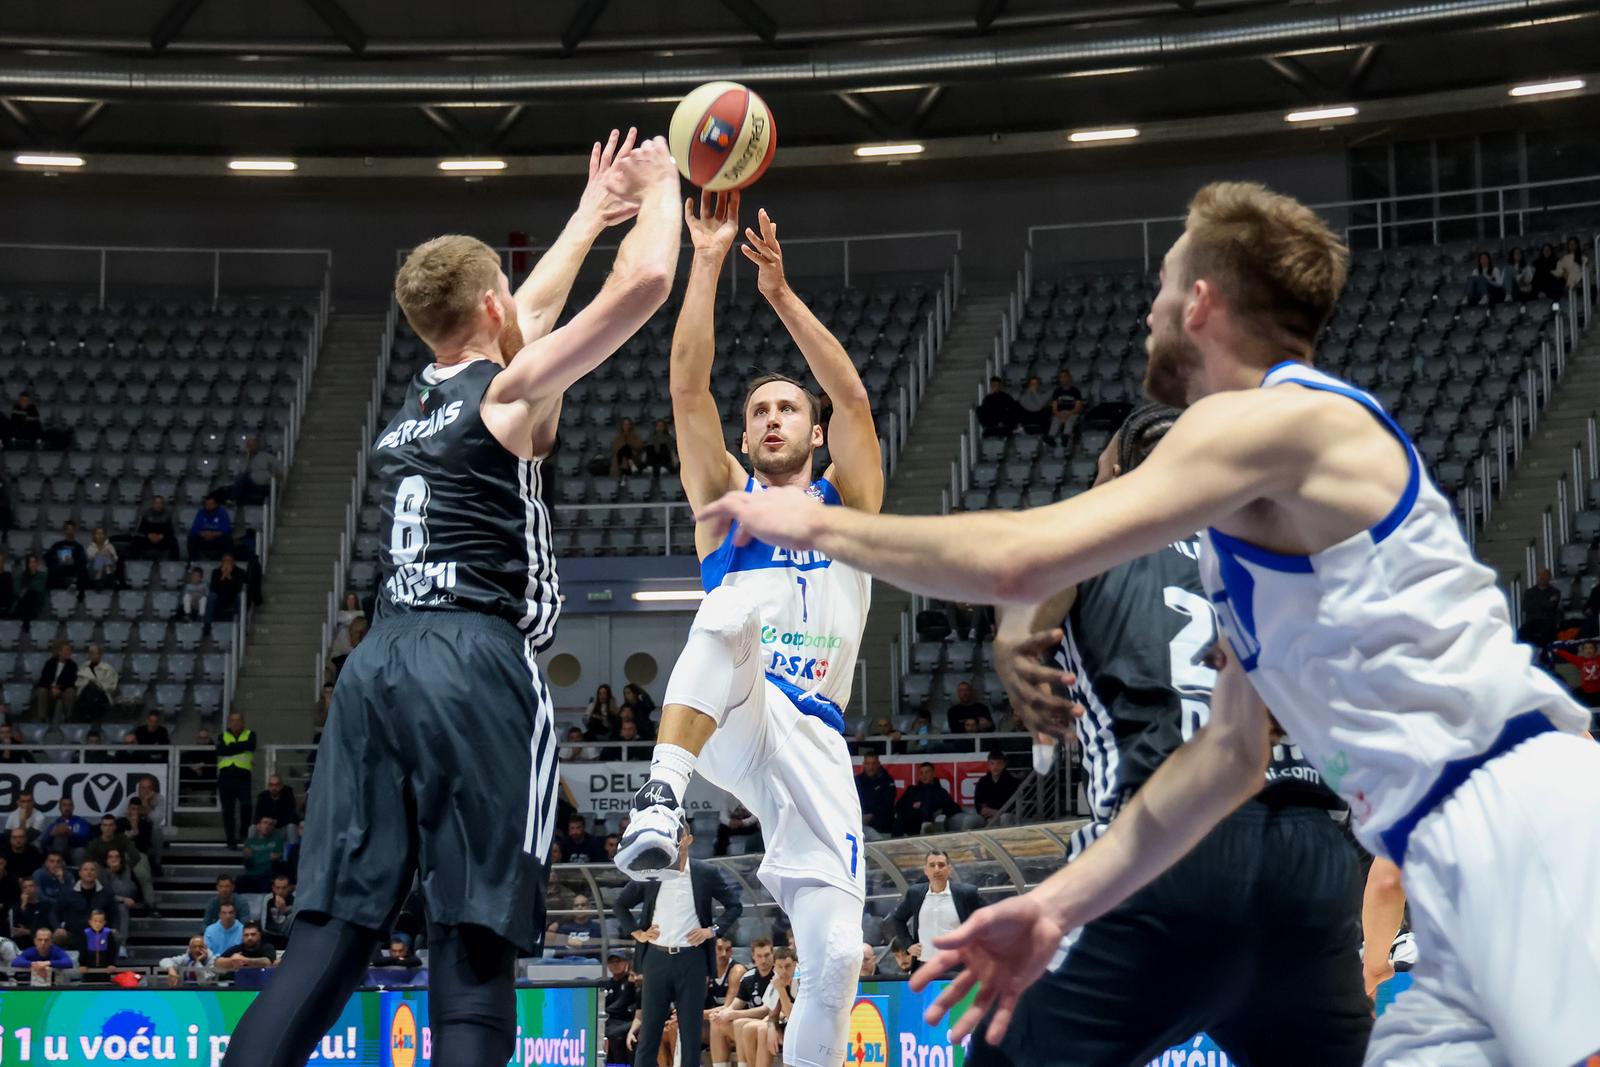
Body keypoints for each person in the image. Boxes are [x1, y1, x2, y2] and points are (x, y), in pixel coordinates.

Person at [704, 181, 1600, 1063]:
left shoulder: (1281, 418)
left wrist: (815, 522)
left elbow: (1027, 554)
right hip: (1446, 855)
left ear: (1201, 302)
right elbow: (1221, 762)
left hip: (1521, 820)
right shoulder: (1251, 540)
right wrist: (1058, 905)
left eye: (1165, 285)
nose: (1150, 312)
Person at [222, 128, 680, 1067]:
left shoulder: (414, 403)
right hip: (472, 660)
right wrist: (665, 185)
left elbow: (528, 307)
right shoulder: (510, 393)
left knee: (332, 930)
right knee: (472, 930)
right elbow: (641, 290)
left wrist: (592, 211)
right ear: (489, 303)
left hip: (375, 662)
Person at [618, 193, 880, 1067]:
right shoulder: (724, 506)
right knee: (728, 610)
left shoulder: (851, 504)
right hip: (739, 711)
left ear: (812, 431)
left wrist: (778, 294)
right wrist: (707, 259)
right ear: (744, 432)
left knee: (839, 954)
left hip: (818, 738)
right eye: (760, 409)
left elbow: (853, 394)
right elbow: (685, 383)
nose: (773, 416)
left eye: (788, 408)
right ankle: (660, 795)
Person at [613, 819, 744, 1067]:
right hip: (656, 958)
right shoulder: (652, 872)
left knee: (691, 1033)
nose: (674, 840)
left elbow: (734, 905)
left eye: (678, 835)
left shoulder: (705, 873)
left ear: (689, 839)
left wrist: (711, 931)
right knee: (649, 1032)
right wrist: (637, 933)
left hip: (691, 960)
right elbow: (620, 904)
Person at [889, 850, 985, 973]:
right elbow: (898, 918)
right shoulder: (915, 894)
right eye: (932, 865)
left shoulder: (966, 893)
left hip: (957, 966)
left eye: (941, 865)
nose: (936, 869)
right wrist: (908, 945)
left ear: (949, 869)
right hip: (924, 965)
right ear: (926, 870)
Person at [709, 937, 775, 1067]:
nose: (763, 960)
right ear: (753, 957)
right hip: (752, 1023)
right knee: (716, 1022)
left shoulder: (777, 975)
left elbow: (766, 1010)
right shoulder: (748, 977)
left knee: (740, 1023)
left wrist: (733, 1014)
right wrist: (721, 1014)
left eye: (767, 955)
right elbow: (735, 1005)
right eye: (759, 956)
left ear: (773, 955)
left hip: (769, 1021)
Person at [52, 860, 115, 949]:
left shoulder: (106, 892)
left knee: (115, 936)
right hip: (72, 933)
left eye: (92, 870)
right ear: (80, 873)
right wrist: (57, 927)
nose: (89, 872)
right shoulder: (68, 892)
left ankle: (110, 962)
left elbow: (114, 913)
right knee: (57, 938)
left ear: (97, 873)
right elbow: (54, 912)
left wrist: (113, 928)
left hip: (98, 933)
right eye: (85, 870)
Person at [216, 711, 256, 850]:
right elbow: (221, 751)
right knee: (228, 810)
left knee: (246, 806)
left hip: (243, 775)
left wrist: (231, 748)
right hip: (226, 776)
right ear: (229, 722)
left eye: (238, 720)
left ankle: (243, 832)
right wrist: (240, 747)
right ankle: (231, 840)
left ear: (243, 722)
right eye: (233, 720)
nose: (235, 722)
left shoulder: (250, 734)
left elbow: (250, 746)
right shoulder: (223, 735)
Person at [892, 763, 963, 836]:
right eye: (921, 773)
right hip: (909, 820)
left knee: (928, 795)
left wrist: (940, 811)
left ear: (933, 774)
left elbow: (955, 807)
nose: (924, 775)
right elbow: (899, 805)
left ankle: (926, 825)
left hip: (925, 820)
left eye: (927, 772)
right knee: (900, 818)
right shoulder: (912, 790)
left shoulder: (940, 792)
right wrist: (912, 805)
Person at [605, 949, 642, 1065]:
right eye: (612, 962)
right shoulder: (605, 984)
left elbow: (622, 1004)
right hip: (612, 1020)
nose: (615, 965)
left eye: (618, 961)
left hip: (631, 1019)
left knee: (614, 1033)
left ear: (627, 963)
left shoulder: (633, 982)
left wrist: (631, 984)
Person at [854, 747, 897, 840]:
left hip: (883, 827)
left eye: (873, 763)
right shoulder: (858, 780)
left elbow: (888, 804)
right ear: (863, 765)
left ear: (879, 764)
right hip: (861, 824)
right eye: (868, 764)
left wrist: (872, 815)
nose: (871, 767)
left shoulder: (887, 781)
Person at [31, 642, 78, 724]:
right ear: (59, 652)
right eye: (66, 650)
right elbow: (43, 680)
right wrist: (52, 688)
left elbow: (72, 681)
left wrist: (60, 688)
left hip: (63, 690)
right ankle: (43, 718)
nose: (69, 652)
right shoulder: (50, 663)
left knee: (71, 691)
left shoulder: (72, 665)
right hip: (50, 689)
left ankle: (68, 717)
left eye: (69, 650)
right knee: (41, 691)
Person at [240, 816, 285, 893]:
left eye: (270, 824)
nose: (267, 826)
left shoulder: (277, 841)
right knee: (240, 881)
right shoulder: (249, 841)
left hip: (268, 875)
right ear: (258, 826)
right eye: (265, 823)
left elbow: (276, 858)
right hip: (251, 874)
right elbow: (248, 863)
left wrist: (256, 857)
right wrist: (267, 857)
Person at [1519, 566, 1562, 648]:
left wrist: (1536, 602)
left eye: (1544, 575)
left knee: (1548, 632)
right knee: (1520, 633)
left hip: (1547, 622)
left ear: (1549, 577)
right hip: (1532, 622)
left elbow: (1551, 606)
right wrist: (1545, 602)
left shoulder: (1555, 592)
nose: (1541, 577)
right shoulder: (1529, 592)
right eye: (1539, 575)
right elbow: (1525, 607)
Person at [75, 644, 118, 721]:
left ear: (100, 655)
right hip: (85, 695)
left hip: (102, 696)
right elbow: (78, 683)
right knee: (90, 688)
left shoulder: (107, 669)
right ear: (89, 655)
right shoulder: (83, 667)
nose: (94, 656)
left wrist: (98, 684)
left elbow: (111, 686)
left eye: (96, 654)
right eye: (92, 653)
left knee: (94, 688)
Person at [1553, 639, 1600, 709]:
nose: (1588, 650)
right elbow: (1567, 655)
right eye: (1586, 648)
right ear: (1583, 651)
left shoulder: (1598, 659)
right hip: (1586, 693)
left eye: (1591, 648)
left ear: (1595, 650)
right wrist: (1556, 650)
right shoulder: (1580, 660)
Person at [972, 751, 1019, 822]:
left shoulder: (1012, 782)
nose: (995, 767)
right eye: (992, 763)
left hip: (1004, 815)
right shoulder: (983, 781)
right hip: (986, 816)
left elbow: (1014, 806)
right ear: (988, 765)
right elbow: (978, 802)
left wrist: (997, 812)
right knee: (971, 820)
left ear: (1004, 765)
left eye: (999, 763)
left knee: (1005, 817)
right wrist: (983, 809)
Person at [131, 495, 180, 562]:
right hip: (148, 539)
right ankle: (133, 563)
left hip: (162, 540)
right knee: (135, 541)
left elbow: (170, 530)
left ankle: (175, 564)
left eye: (160, 503)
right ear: (153, 504)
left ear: (163, 504)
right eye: (156, 503)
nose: (158, 505)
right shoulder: (146, 514)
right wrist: (149, 535)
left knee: (174, 542)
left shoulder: (168, 514)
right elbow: (141, 529)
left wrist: (161, 536)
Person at [253, 775, 300, 844]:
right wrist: (263, 822)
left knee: (291, 827)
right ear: (268, 786)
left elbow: (292, 816)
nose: (274, 788)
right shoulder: (262, 796)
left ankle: (293, 853)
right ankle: (252, 852)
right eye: (271, 785)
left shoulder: (288, 795)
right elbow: (256, 816)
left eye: (277, 785)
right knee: (253, 827)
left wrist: (274, 821)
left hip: (282, 828)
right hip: (267, 829)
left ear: (282, 786)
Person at [233, 436, 277, 506]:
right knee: (241, 477)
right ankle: (234, 500)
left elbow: (277, 466)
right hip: (253, 485)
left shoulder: (266, 456)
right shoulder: (244, 460)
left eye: (252, 446)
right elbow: (243, 471)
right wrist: (247, 458)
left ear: (256, 446)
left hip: (265, 484)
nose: (250, 448)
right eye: (249, 446)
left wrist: (271, 475)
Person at [188, 495, 234, 561]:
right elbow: (194, 529)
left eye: (211, 504)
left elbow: (226, 529)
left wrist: (213, 534)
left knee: (228, 539)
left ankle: (227, 560)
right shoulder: (201, 512)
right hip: (204, 538)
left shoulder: (222, 512)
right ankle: (193, 561)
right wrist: (203, 534)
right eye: (207, 504)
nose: (208, 506)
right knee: (192, 537)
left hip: (217, 538)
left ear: (216, 504)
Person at [257, 875, 297, 949]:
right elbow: (264, 927)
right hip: (271, 938)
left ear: (289, 888)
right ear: (273, 888)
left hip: (289, 939)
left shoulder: (295, 900)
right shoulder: (268, 899)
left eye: (284, 888)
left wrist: (285, 910)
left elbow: (294, 926)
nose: (280, 891)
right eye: (278, 888)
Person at [1047, 370, 1084, 444]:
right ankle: (1051, 437)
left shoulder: (1075, 391)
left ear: (1069, 378)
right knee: (1055, 420)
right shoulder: (1057, 392)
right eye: (1061, 377)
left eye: (1065, 377)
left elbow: (1078, 407)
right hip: (1060, 413)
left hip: (1072, 412)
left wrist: (1068, 414)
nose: (1063, 379)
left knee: (1070, 420)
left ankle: (1066, 436)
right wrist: (1059, 415)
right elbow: (1054, 408)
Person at [210, 553, 245, 623]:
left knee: (241, 596)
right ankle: (208, 624)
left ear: (234, 562)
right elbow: (213, 588)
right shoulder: (216, 572)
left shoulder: (240, 572)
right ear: (222, 562)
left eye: (229, 560)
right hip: (220, 596)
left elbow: (239, 588)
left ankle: (242, 622)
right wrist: (222, 577)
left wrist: (229, 576)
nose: (227, 562)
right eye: (225, 560)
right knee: (212, 596)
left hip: (234, 596)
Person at [13, 553, 46, 623]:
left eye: (34, 562)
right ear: (27, 564)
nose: (33, 564)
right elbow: (16, 589)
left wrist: (27, 588)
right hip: (22, 603)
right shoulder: (22, 576)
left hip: (36, 602)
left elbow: (40, 588)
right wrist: (22, 592)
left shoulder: (42, 575)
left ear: (37, 563)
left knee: (31, 593)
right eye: (30, 562)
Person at [84, 526, 119, 590]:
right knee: (101, 555)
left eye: (102, 533)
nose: (100, 536)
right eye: (97, 534)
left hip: (108, 567)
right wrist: (100, 553)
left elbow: (116, 558)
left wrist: (110, 555)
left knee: (106, 553)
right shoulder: (90, 547)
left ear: (104, 535)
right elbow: (90, 558)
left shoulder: (110, 546)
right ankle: (102, 577)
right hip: (94, 570)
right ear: (94, 536)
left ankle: (102, 578)